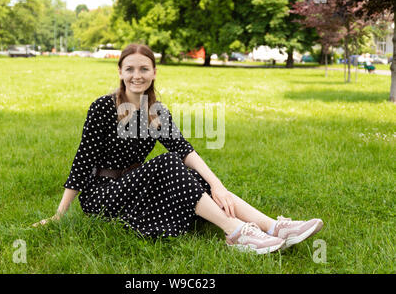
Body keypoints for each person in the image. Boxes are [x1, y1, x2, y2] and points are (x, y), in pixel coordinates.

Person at [33, 43, 323, 254]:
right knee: (168, 164)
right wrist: (60, 214)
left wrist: (217, 184)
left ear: (154, 72)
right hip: (104, 196)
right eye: (130, 69)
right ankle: (234, 232)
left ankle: (273, 227)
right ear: (120, 71)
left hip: (137, 188)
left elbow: (185, 149)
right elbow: (83, 160)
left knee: (192, 175)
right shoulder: (102, 107)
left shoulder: (156, 111)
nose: (137, 75)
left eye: (144, 69)